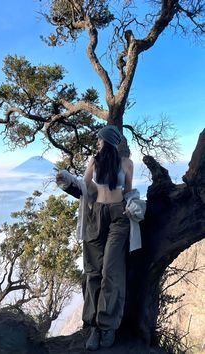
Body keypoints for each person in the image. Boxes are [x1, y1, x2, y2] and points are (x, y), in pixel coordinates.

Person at [56, 125, 144, 351]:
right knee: (93, 271)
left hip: (118, 216)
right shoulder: (94, 161)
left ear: (108, 141)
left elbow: (128, 191)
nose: (97, 143)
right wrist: (66, 179)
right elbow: (85, 186)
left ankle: (108, 326)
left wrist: (132, 205)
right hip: (96, 214)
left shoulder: (127, 163)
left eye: (99, 140)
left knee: (111, 272)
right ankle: (93, 324)